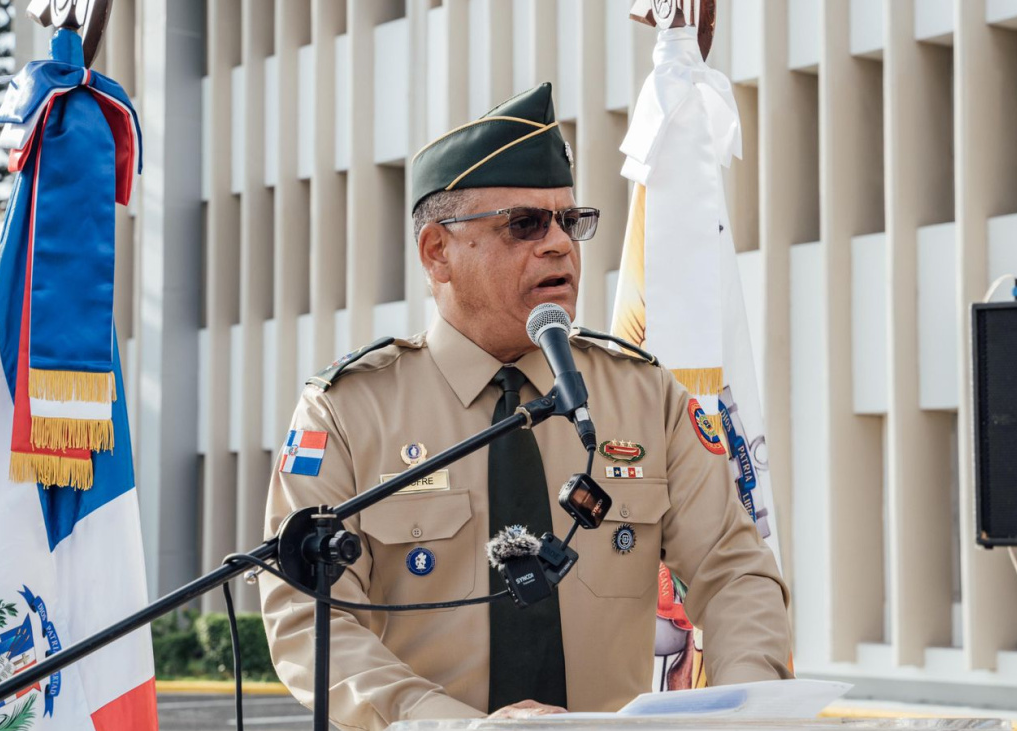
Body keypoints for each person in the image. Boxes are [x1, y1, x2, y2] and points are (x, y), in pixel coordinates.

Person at [259, 82, 793, 731]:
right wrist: (445, 724)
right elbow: (310, 618)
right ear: (438, 252)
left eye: (570, 221)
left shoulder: (641, 394)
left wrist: (746, 705)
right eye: (525, 224)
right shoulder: (348, 411)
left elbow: (733, 570)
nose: (559, 245)